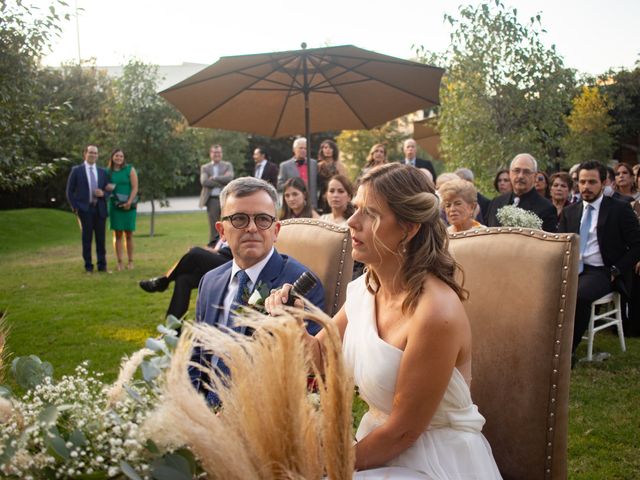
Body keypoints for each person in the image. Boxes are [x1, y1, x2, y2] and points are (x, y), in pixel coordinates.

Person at [266, 164, 501, 478]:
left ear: (409, 228)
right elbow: (320, 358)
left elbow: (403, 432)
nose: (352, 221)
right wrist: (290, 322)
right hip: (376, 446)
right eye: (355, 209)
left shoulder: (435, 314)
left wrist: (322, 467)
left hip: (432, 459)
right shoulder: (366, 288)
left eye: (370, 213)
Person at [192, 177, 325, 404]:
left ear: (275, 230)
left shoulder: (298, 286)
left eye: (263, 219)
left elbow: (309, 372)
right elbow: (197, 358)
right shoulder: (210, 282)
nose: (252, 228)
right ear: (221, 231)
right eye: (240, 219)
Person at [558, 161, 640, 357]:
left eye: (592, 182)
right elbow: (560, 243)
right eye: (582, 181)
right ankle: (545, 344)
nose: (586, 187)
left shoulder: (620, 209)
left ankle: (566, 354)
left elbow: (637, 245)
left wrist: (616, 270)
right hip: (572, 268)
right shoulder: (570, 211)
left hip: (602, 271)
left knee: (578, 295)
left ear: (603, 183)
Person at [139, 242, 233, 320]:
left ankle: (165, 280)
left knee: (195, 252)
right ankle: (174, 327)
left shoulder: (237, 225)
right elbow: (212, 243)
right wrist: (207, 249)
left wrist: (214, 251)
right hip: (213, 262)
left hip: (228, 262)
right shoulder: (220, 230)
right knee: (183, 279)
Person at [484, 153, 557, 232]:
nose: (520, 176)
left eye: (526, 172)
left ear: (535, 176)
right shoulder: (496, 203)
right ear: (510, 173)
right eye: (516, 171)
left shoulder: (546, 208)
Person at [66, 144, 110, 273]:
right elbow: (69, 191)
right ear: (85, 153)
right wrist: (75, 207)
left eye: (95, 153)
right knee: (87, 240)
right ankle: (88, 266)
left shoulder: (102, 171)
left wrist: (104, 194)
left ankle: (102, 266)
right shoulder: (76, 170)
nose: (93, 155)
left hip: (100, 209)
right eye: (91, 152)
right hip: (85, 210)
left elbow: (108, 189)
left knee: (101, 240)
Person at [107, 149, 138, 271]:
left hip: (129, 205)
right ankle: (119, 262)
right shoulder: (107, 172)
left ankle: (130, 261)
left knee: (129, 234)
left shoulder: (130, 169)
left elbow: (135, 187)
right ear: (112, 157)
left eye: (121, 156)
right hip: (115, 206)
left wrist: (129, 202)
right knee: (117, 234)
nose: (119, 158)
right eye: (116, 155)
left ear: (124, 158)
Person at [199, 144, 234, 243]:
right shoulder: (205, 167)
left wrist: (214, 178)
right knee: (214, 225)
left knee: (227, 223)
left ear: (221, 153)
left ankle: (227, 244)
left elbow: (230, 178)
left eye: (219, 152)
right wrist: (221, 181)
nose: (217, 154)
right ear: (210, 154)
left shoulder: (227, 165)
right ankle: (213, 245)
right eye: (214, 152)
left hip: (226, 199)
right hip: (212, 200)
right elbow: (204, 182)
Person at [277, 137, 319, 209]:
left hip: (311, 205)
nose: (303, 150)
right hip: (293, 206)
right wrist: (292, 186)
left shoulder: (314, 164)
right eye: (301, 148)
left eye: (305, 148)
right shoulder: (285, 166)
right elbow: (279, 186)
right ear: (294, 149)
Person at [316, 139, 347, 213]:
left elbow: (344, 183)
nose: (328, 150)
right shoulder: (318, 166)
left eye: (330, 148)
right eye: (325, 147)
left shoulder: (339, 165)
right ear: (322, 150)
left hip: (336, 195)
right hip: (322, 197)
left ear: (334, 150)